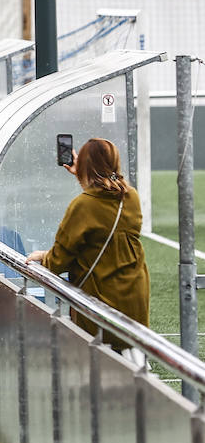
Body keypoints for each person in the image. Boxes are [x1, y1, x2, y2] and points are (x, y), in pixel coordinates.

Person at [27, 138, 149, 351]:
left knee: (97, 367)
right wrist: (85, 174)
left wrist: (43, 257)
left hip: (99, 302)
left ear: (84, 165)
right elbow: (107, 192)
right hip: (134, 299)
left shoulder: (82, 205)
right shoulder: (131, 197)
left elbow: (58, 261)